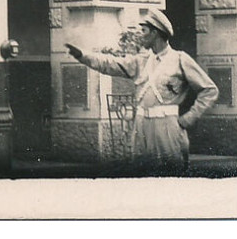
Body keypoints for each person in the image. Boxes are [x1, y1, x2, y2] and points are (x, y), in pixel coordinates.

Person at [65, 9, 218, 172]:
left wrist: (189, 118)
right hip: (141, 126)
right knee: (141, 173)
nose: (140, 35)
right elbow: (112, 64)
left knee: (171, 173)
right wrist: (83, 55)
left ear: (155, 33)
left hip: (167, 126)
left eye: (144, 31)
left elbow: (209, 90)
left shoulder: (180, 59)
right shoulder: (141, 61)